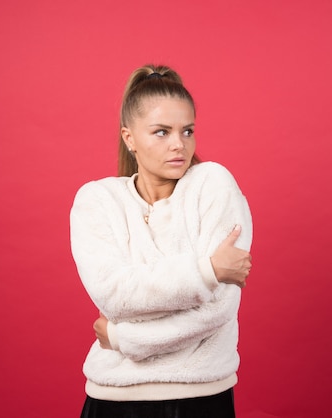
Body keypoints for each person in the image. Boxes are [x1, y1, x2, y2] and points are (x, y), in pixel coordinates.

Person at [70, 64, 253, 418]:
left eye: (187, 131)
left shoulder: (213, 185)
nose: (178, 144)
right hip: (113, 400)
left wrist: (125, 339)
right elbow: (116, 295)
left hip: (201, 399)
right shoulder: (98, 200)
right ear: (129, 138)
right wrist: (208, 271)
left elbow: (216, 310)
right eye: (161, 132)